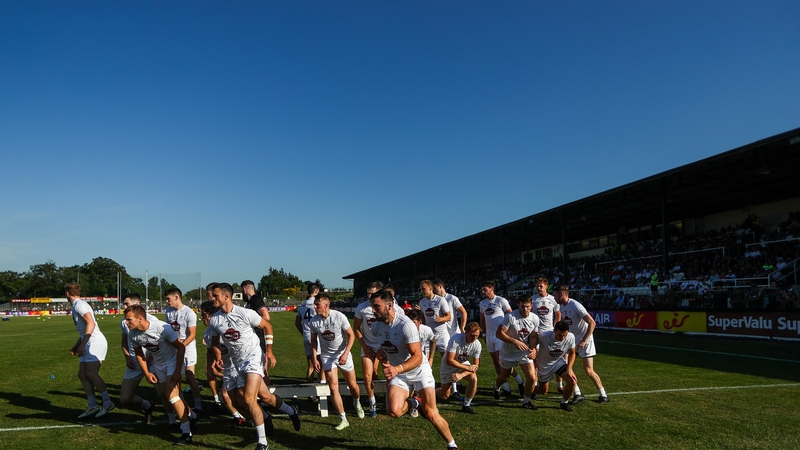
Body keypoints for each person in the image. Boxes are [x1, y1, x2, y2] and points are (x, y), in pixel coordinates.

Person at [209, 283, 297, 450]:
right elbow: (214, 342)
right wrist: (218, 357)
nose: (212, 298)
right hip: (236, 362)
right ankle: (290, 411)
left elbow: (267, 326)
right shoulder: (215, 319)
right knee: (252, 399)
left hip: (253, 357)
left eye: (215, 296)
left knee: (249, 399)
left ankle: (262, 443)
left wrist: (269, 352)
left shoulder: (245, 313)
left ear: (226, 296)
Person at [370, 290, 459, 450]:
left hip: (419, 372)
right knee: (394, 411)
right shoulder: (376, 326)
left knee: (431, 413)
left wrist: (397, 368)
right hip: (401, 374)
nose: (373, 310)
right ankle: (415, 402)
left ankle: (452, 445)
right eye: (372, 307)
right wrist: (382, 354)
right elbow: (389, 346)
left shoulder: (405, 325)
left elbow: (417, 356)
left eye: (376, 307)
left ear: (389, 305)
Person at [125, 304, 198, 445]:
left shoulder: (161, 328)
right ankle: (192, 416)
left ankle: (186, 433)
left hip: (172, 362)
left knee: (172, 396)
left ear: (140, 319)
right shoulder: (133, 334)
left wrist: (177, 371)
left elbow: (180, 347)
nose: (126, 322)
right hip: (158, 365)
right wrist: (147, 373)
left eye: (129, 319)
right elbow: (139, 354)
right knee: (166, 395)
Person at [309, 292, 364, 430]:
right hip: (327, 357)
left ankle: (357, 402)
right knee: (333, 387)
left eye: (317, 304)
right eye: (315, 304)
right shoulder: (314, 320)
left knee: (352, 385)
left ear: (326, 305)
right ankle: (343, 418)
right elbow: (314, 341)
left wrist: (345, 354)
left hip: (343, 354)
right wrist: (315, 358)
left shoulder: (339, 316)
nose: (315, 306)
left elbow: (351, 336)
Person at [353, 281, 403, 418]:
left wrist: (384, 348)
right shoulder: (361, 308)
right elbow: (356, 328)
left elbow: (396, 329)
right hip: (368, 346)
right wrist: (364, 346)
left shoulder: (394, 309)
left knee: (389, 375)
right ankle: (372, 402)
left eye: (372, 293)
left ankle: (389, 400)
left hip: (385, 346)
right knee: (368, 376)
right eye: (368, 293)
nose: (369, 296)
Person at [66, 282, 115, 419]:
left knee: (91, 374)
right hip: (88, 342)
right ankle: (92, 405)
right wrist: (78, 345)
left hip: (95, 343)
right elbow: (84, 331)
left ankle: (107, 403)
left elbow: (91, 324)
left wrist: (83, 345)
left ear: (67, 294)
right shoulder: (78, 305)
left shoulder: (79, 305)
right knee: (82, 374)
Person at [554, 285, 610, 404]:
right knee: (564, 365)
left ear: (561, 294)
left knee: (588, 370)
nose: (554, 297)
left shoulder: (575, 305)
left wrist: (584, 340)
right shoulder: (560, 306)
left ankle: (603, 395)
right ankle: (578, 393)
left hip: (586, 340)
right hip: (573, 340)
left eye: (555, 295)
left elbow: (592, 323)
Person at [199, 298, 245, 425]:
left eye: (203, 314)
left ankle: (253, 416)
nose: (201, 317)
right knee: (228, 396)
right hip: (228, 368)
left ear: (211, 315)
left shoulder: (226, 329)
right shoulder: (208, 334)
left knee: (238, 397)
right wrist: (211, 366)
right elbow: (210, 351)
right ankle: (240, 417)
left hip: (239, 365)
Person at [119, 293, 160, 424]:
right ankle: (148, 405)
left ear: (136, 305)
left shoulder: (154, 321)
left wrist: (151, 361)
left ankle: (181, 419)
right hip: (135, 362)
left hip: (153, 361)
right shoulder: (124, 323)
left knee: (166, 394)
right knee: (125, 398)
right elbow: (124, 342)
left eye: (127, 304)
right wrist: (127, 358)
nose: (124, 306)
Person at [495, 294, 540, 409]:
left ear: (531, 306)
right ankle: (496, 386)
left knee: (531, 377)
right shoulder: (510, 317)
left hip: (523, 351)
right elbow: (499, 334)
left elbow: (534, 336)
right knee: (504, 378)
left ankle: (526, 402)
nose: (525, 309)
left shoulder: (535, 318)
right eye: (522, 307)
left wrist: (533, 348)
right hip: (508, 352)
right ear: (518, 305)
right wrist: (514, 341)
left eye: (527, 307)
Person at [164, 288, 203, 415]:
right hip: (174, 348)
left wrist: (181, 346)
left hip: (188, 348)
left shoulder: (189, 313)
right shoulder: (168, 312)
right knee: (176, 377)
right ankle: (182, 406)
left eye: (168, 298)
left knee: (190, 377)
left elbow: (192, 335)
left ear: (176, 297)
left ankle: (198, 406)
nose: (167, 301)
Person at [530, 320, 578, 412]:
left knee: (572, 381)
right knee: (543, 391)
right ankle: (527, 388)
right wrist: (534, 362)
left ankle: (564, 402)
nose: (562, 337)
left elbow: (572, 353)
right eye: (560, 335)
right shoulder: (544, 336)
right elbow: (533, 345)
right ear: (554, 331)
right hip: (544, 365)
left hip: (558, 363)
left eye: (565, 335)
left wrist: (569, 368)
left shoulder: (571, 337)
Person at [436, 322, 482, 414]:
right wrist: (467, 368)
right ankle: (436, 391)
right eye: (472, 335)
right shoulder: (456, 339)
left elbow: (475, 366)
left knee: (474, 378)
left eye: (477, 336)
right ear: (466, 332)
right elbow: (449, 360)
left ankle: (466, 405)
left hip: (462, 364)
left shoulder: (477, 344)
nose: (474, 338)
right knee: (445, 395)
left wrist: (462, 374)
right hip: (448, 367)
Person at [478, 280, 514, 396]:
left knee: (501, 361)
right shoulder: (482, 303)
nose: (483, 291)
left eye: (485, 289)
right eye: (482, 289)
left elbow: (510, 314)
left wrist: (508, 331)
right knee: (495, 362)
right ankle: (506, 387)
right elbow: (482, 319)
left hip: (500, 335)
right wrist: (483, 333)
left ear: (492, 289)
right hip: (489, 335)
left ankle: (519, 380)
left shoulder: (501, 300)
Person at [531, 277, 562, 392]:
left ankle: (560, 385)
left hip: (549, 332)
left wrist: (555, 328)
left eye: (541, 286)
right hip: (536, 333)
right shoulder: (533, 299)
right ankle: (534, 384)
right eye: (537, 286)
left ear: (546, 286)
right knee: (536, 358)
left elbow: (558, 314)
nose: (538, 288)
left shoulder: (553, 299)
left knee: (556, 357)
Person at [242, 280, 272, 384]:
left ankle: (269, 395)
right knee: (259, 370)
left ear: (245, 289)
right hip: (254, 338)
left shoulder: (255, 299)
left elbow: (266, 316)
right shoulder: (250, 302)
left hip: (259, 338)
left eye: (242, 291)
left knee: (262, 370)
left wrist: (254, 326)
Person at [295, 283, 325, 384]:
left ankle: (310, 393)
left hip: (307, 336)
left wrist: (303, 333)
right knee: (321, 363)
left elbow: (297, 323)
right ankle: (322, 391)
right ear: (316, 291)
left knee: (311, 365)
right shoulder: (317, 305)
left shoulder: (302, 305)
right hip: (316, 336)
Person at [418, 280, 452, 358]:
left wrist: (441, 319)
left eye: (423, 289)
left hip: (442, 334)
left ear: (430, 288)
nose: (421, 291)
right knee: (425, 360)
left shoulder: (440, 300)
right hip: (428, 334)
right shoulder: (422, 302)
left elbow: (449, 317)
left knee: (446, 359)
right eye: (421, 289)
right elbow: (422, 317)